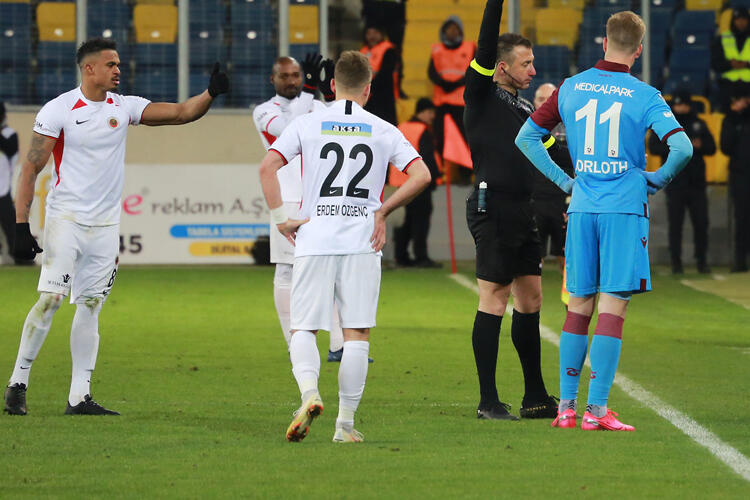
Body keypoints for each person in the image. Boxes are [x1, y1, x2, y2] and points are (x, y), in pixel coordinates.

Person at [3, 38, 229, 416]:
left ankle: (79, 397)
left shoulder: (123, 107)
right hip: (66, 220)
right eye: (111, 64)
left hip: (106, 226)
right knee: (52, 299)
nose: (118, 70)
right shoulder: (59, 109)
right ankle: (18, 383)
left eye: (119, 64)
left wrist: (210, 94)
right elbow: (30, 167)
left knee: (91, 305)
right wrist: (21, 225)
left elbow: (180, 113)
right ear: (89, 68)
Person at [516, 10, 692, 431]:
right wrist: (657, 180)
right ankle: (596, 410)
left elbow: (526, 137)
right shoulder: (645, 95)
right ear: (639, 50)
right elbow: (682, 147)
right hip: (623, 211)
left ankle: (566, 408)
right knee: (612, 308)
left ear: (604, 41)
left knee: (578, 305)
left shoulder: (571, 87)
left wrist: (565, 181)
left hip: (581, 208)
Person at [259, 51, 431, 443]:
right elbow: (421, 175)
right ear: (368, 89)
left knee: (303, 327)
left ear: (333, 85)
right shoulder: (383, 129)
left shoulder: (307, 122)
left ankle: (309, 393)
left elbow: (267, 167)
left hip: (314, 236)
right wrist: (383, 210)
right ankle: (345, 425)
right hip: (362, 240)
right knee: (356, 332)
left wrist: (282, 219)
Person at [463, 0, 561, 421]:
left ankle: (534, 396)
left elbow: (556, 153)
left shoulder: (526, 110)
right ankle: (488, 400)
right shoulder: (481, 94)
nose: (533, 70)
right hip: (493, 207)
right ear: (501, 67)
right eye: (526, 63)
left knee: (531, 297)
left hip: (523, 210)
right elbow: (486, 44)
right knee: (495, 297)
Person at [252, 54, 349, 361]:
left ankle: (339, 344)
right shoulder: (264, 111)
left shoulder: (315, 105)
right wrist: (309, 90)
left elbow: (342, 125)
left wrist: (331, 95)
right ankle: (293, 342)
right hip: (287, 197)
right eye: (285, 76)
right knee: (286, 270)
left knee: (330, 268)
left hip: (320, 198)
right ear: (273, 79)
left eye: (296, 75)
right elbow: (290, 129)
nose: (292, 81)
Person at [648, 88, 715, 274]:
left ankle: (702, 261)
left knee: (701, 223)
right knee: (675, 224)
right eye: (678, 104)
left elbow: (711, 147)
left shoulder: (698, 124)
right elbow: (653, 146)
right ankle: (676, 262)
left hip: (696, 183)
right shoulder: (665, 123)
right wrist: (678, 147)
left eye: (684, 104)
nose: (681, 108)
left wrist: (698, 146)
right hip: (675, 182)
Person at [391, 97, 442, 267]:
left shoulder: (401, 127)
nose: (432, 116)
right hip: (418, 183)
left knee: (404, 222)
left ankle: (401, 256)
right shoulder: (423, 130)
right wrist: (435, 178)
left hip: (399, 184)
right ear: (424, 112)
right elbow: (426, 158)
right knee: (421, 221)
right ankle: (421, 257)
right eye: (431, 112)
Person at [532, 83, 574, 282]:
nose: (544, 103)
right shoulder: (526, 127)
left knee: (567, 260)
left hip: (563, 201)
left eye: (549, 99)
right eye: (541, 99)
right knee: (532, 259)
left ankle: (571, 299)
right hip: (534, 200)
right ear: (534, 101)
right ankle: (529, 299)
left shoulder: (572, 127)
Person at [428, 16, 475, 175]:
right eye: (449, 29)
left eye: (455, 29)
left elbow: (473, 70)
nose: (452, 32)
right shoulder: (436, 50)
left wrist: (455, 84)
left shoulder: (470, 48)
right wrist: (443, 83)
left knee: (464, 138)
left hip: (461, 102)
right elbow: (431, 72)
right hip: (441, 102)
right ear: (444, 31)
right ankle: (439, 172)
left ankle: (466, 173)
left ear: (460, 31)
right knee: (440, 137)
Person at [720, 89, 750, 272]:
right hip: (740, 175)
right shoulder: (730, 120)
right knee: (742, 217)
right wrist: (734, 116)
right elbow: (725, 147)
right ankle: (740, 260)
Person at [712, 8, 750, 112]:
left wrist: (746, 64)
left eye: (744, 19)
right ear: (733, 21)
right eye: (737, 19)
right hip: (728, 86)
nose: (741, 22)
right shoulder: (722, 38)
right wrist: (730, 64)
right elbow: (715, 64)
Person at [361, 26, 400, 125]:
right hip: (366, 96)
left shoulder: (388, 49)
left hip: (383, 97)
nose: (372, 36)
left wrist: (368, 88)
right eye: (369, 33)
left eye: (375, 33)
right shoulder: (363, 51)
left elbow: (385, 74)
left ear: (381, 34)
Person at [0, 101, 19, 262]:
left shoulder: (10, 134)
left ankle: (20, 257)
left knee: (10, 225)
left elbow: (9, 148)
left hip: (2, 189)